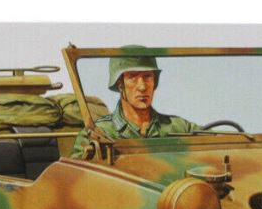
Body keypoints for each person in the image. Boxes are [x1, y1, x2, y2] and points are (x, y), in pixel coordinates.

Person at [70, 51, 200, 158]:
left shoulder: (179, 127)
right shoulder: (98, 133)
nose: (142, 87)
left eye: (147, 76)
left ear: (154, 82)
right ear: (120, 84)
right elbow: (76, 174)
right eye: (132, 77)